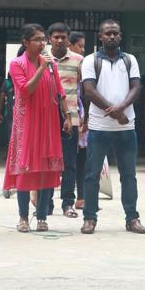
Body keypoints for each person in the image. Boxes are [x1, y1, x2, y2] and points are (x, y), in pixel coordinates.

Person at [80, 19, 145, 234]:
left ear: (120, 36)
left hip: (126, 128)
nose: (112, 37)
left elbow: (137, 87)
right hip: (99, 127)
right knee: (91, 174)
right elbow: (89, 90)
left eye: (116, 33)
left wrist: (122, 108)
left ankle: (132, 218)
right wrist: (116, 112)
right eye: (107, 33)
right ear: (100, 36)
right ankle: (89, 218)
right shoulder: (90, 60)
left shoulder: (130, 60)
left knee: (129, 175)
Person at [3, 24, 69, 232]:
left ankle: (42, 217)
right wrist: (41, 68)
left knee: (46, 169)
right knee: (25, 170)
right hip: (27, 123)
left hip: (48, 121)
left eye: (43, 39)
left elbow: (60, 92)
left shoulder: (51, 66)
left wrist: (67, 117)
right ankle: (23, 217)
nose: (42, 43)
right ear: (25, 42)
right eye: (38, 39)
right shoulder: (17, 64)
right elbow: (25, 89)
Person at [46, 22, 84, 219]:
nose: (60, 40)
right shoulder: (41, 59)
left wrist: (84, 118)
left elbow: (83, 91)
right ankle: (47, 203)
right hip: (46, 121)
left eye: (63, 37)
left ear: (68, 39)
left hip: (72, 120)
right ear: (49, 39)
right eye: (56, 37)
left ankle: (68, 204)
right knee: (47, 164)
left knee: (69, 164)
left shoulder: (78, 60)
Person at [68, 30, 87, 209]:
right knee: (67, 159)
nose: (82, 50)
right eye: (79, 46)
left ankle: (81, 197)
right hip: (68, 115)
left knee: (82, 158)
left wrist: (86, 117)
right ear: (70, 45)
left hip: (81, 116)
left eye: (83, 47)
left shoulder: (83, 65)